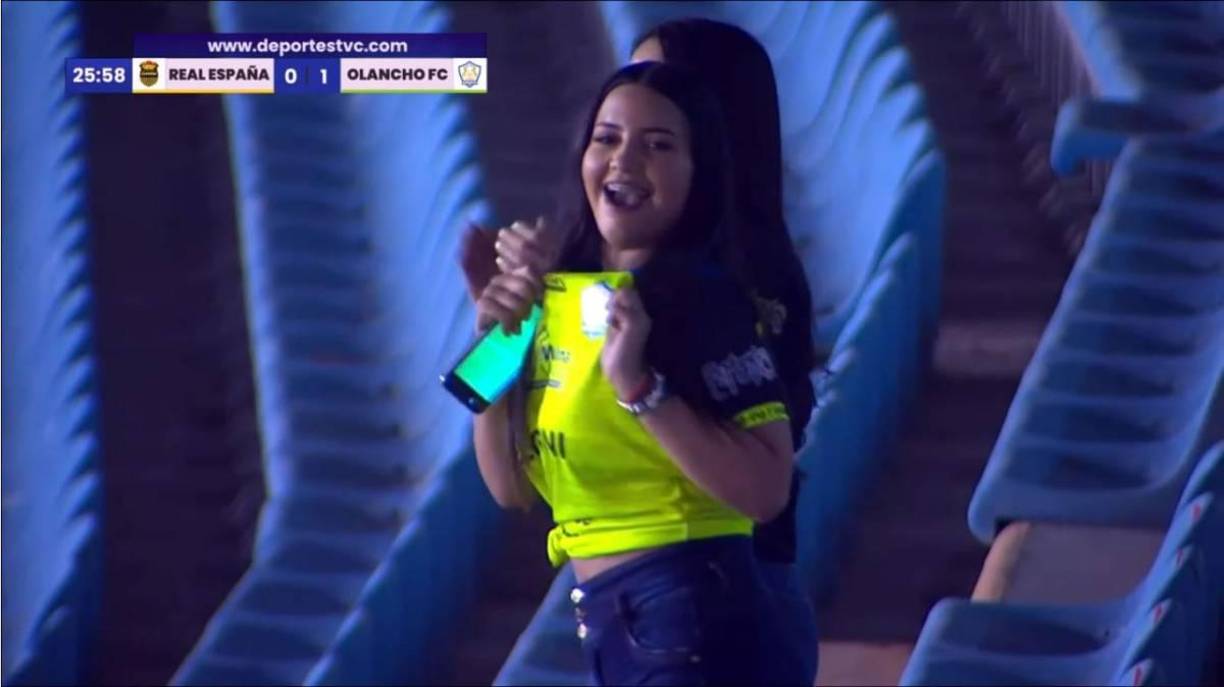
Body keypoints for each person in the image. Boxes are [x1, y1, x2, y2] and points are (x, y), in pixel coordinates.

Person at [464, 18, 820, 683]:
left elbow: (766, 487)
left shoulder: (710, 292)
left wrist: (642, 388)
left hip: (693, 615)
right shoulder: (572, 288)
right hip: (614, 620)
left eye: (657, 141)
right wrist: (499, 338)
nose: (624, 161)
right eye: (608, 136)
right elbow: (510, 487)